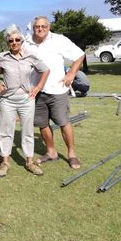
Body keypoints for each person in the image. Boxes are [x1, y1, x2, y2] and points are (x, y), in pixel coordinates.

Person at [24, 16, 85, 169]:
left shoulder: (59, 40)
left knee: (63, 122)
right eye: (37, 26)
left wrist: (71, 73)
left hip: (57, 90)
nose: (40, 29)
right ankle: (51, 152)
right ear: (33, 28)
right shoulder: (26, 42)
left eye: (43, 26)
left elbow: (79, 55)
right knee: (42, 124)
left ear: (49, 27)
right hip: (36, 91)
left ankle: (72, 154)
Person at [0, 25, 49, 178]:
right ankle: (5, 162)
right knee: (6, 130)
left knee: (28, 130)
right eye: (11, 41)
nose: (14, 43)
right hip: (7, 99)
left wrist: (38, 87)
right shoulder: (2, 57)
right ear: (7, 43)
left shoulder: (30, 56)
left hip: (26, 98)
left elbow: (45, 70)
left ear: (22, 41)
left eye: (17, 40)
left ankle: (30, 162)